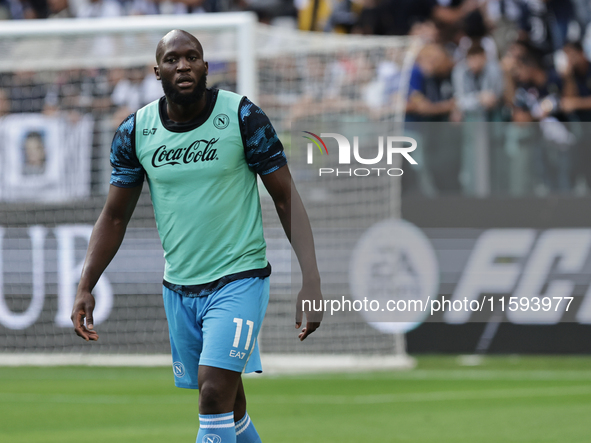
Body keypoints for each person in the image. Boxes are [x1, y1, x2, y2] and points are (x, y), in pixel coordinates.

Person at [70, 29, 323, 443]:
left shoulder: (242, 117)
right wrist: (85, 285)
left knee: (212, 394)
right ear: (157, 71)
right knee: (232, 408)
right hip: (180, 288)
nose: (183, 65)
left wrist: (310, 281)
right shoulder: (136, 132)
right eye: (173, 59)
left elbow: (286, 199)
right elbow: (114, 217)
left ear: (205, 66)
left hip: (240, 280)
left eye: (192, 57)